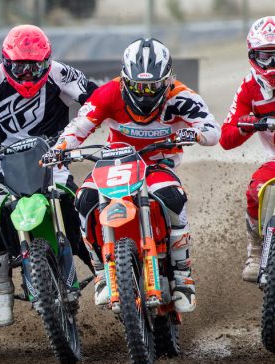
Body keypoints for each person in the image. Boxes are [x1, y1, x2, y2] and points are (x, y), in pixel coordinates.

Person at [48, 37, 221, 313]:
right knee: (84, 199)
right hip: (116, 163)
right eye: (138, 86)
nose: (145, 93)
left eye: (152, 86)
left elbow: (213, 130)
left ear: (168, 80)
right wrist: (59, 149)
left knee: (173, 197)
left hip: (157, 165)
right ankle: (101, 273)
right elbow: (78, 127)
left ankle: (182, 276)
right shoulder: (107, 93)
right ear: (125, 80)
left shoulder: (182, 97)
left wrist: (196, 134)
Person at [0, 25, 97, 327]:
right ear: (6, 62)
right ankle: (1, 289)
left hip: (54, 161)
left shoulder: (61, 73)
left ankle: (108, 274)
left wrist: (109, 127)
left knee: (83, 211)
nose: (28, 74)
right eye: (20, 67)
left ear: (47, 61)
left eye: (34, 67)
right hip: (10, 165)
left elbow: (96, 100)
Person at [220, 16, 275, 282]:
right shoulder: (249, 87)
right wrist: (248, 125)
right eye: (266, 56)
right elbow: (225, 137)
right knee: (256, 190)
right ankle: (255, 250)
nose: (272, 63)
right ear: (253, 55)